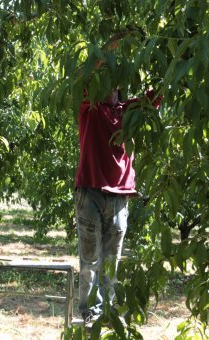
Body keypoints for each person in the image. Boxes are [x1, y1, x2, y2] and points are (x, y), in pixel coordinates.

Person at [75, 86, 160, 324]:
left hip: (119, 197)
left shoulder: (129, 111)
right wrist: (112, 51)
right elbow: (89, 75)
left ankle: (109, 312)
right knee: (90, 260)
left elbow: (157, 93)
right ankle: (91, 311)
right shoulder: (89, 107)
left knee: (111, 260)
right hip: (90, 192)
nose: (108, 84)